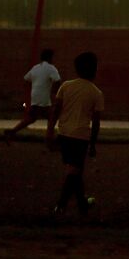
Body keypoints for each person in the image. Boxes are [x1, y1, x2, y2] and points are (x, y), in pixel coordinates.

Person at [46, 51, 102, 218]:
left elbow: (56, 110)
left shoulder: (66, 86)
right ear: (95, 69)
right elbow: (96, 122)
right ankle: (60, 206)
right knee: (74, 172)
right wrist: (93, 144)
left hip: (64, 134)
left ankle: (83, 205)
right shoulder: (96, 92)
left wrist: (49, 130)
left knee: (75, 171)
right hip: (81, 137)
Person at [4, 48, 60, 143]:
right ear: (50, 58)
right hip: (44, 99)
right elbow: (57, 81)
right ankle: (49, 139)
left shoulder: (35, 68)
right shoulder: (51, 68)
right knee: (52, 118)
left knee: (31, 118)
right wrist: (55, 92)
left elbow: (26, 79)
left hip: (35, 97)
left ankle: (12, 131)